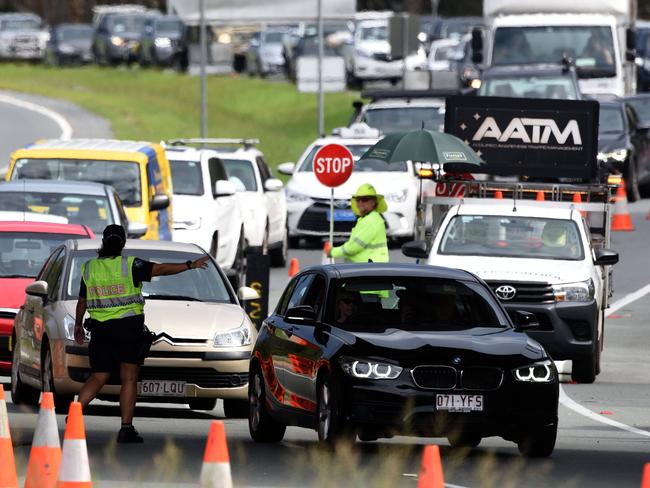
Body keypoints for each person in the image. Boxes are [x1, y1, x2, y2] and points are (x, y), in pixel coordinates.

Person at [73, 224, 209, 443]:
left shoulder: (90, 268)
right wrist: (190, 265)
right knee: (129, 377)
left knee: (99, 376)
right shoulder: (130, 264)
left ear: (103, 242)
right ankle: (126, 428)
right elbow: (161, 270)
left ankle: (74, 417)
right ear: (123, 243)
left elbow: (82, 302)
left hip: (100, 330)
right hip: (128, 329)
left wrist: (78, 326)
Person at [328, 183, 389, 263]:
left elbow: (352, 247)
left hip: (368, 269)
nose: (360, 203)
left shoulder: (371, 221)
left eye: (365, 199)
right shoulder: (368, 219)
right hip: (369, 267)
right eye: (358, 200)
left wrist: (331, 251)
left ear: (373, 202)